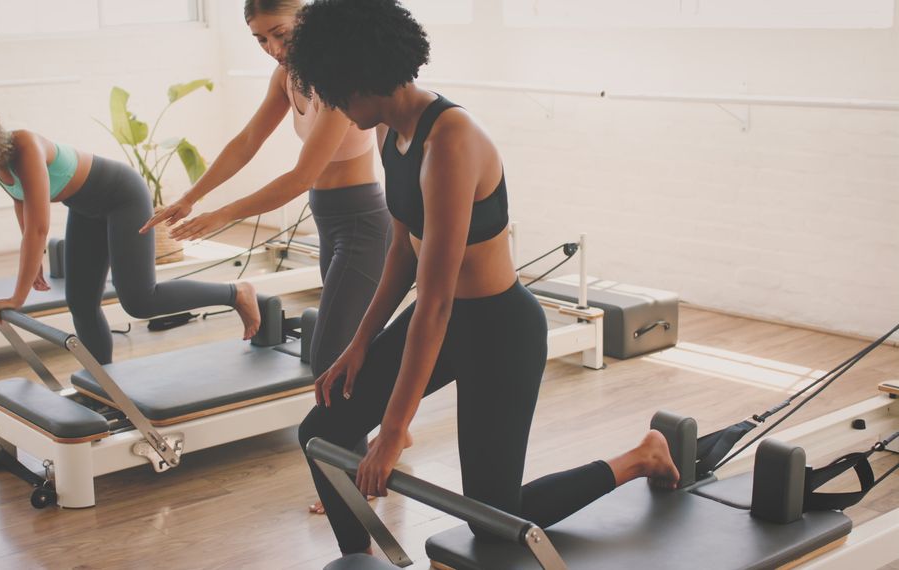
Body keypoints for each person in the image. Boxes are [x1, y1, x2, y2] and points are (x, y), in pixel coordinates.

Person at [287, 0, 681, 555]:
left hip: (500, 331)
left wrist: (395, 430)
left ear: (362, 77)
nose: (333, 106)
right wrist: (360, 345)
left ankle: (641, 457)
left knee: (492, 517)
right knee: (319, 434)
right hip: (448, 321)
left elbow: (437, 300)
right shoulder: (389, 133)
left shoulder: (450, 142)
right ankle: (359, 559)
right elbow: (401, 251)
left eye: (335, 90)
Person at [141, 0, 412, 513]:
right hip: (332, 221)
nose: (272, 48)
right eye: (260, 40)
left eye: (279, 33)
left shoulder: (335, 80)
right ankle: (386, 432)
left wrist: (221, 216)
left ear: (306, 19)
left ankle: (353, 483)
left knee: (330, 359)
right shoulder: (288, 78)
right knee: (348, 347)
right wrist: (191, 196)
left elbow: (300, 176)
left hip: (361, 224)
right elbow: (246, 142)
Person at [0, 100, 261, 364]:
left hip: (122, 196)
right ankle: (104, 382)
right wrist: (36, 264)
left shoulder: (23, 146)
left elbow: (39, 227)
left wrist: (18, 295)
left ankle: (236, 292)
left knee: (139, 300)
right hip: (87, 208)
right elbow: (22, 202)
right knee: (81, 303)